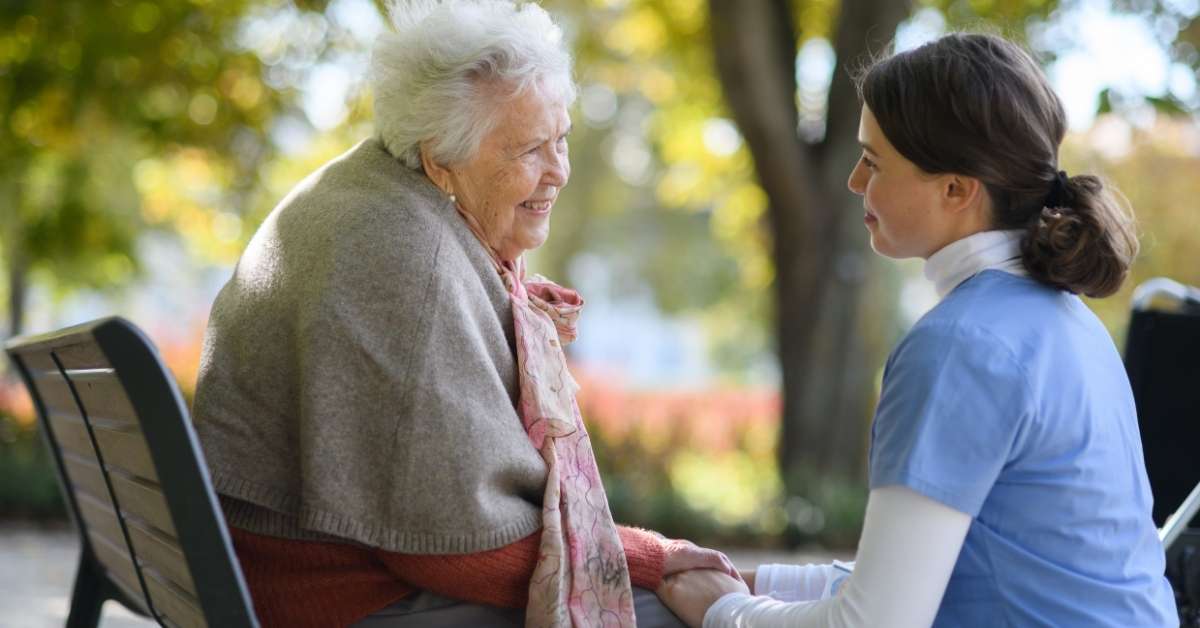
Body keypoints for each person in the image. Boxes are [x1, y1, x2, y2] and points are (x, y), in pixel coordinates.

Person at [191, 1, 738, 626]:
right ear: (439, 159)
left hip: (275, 572)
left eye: (561, 138)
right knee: (680, 618)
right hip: (333, 599)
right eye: (530, 149)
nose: (558, 170)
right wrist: (649, 558)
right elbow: (458, 549)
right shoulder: (408, 261)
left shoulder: (369, 194)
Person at [657, 32, 1179, 627]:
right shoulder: (1064, 320)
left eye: (874, 162)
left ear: (956, 189)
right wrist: (744, 579)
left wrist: (724, 612)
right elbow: (941, 572)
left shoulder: (960, 346)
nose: (855, 181)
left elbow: (875, 623)